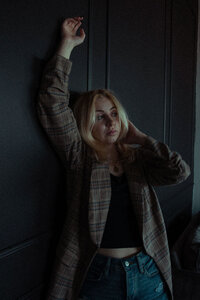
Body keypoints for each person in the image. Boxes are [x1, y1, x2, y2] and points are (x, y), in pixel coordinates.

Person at [36, 16, 191, 300]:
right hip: (99, 276)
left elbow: (179, 172)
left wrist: (143, 139)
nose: (110, 121)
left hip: (147, 273)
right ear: (86, 124)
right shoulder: (78, 157)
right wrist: (67, 46)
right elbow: (52, 102)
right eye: (100, 116)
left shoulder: (137, 160)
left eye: (113, 113)